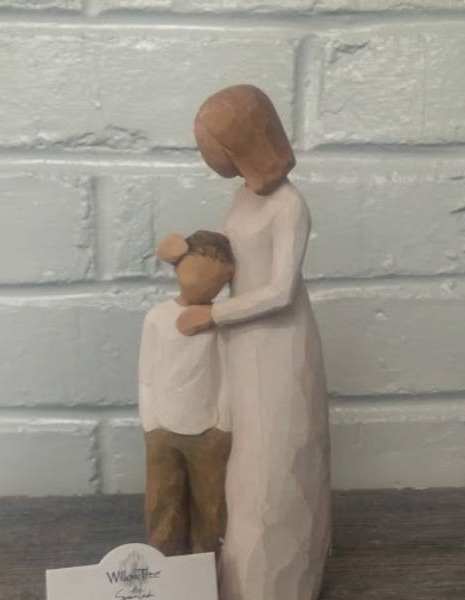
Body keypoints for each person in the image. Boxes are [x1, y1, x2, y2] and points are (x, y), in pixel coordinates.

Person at [177, 85, 332, 600]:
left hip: (279, 347)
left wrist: (214, 314)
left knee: (273, 462)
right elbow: (233, 261)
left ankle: (280, 584)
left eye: (214, 146)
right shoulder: (243, 196)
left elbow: (281, 291)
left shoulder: (289, 206)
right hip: (241, 343)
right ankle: (238, 577)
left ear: (242, 141)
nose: (211, 158)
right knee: (240, 461)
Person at [138, 230, 234, 557]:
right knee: (162, 504)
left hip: (209, 430)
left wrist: (223, 425)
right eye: (197, 271)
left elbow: (228, 375)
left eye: (216, 279)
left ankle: (207, 570)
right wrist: (151, 423)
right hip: (162, 428)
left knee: (211, 508)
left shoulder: (220, 321)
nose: (204, 284)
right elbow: (147, 376)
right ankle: (164, 567)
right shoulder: (157, 318)